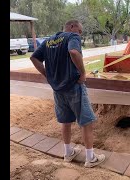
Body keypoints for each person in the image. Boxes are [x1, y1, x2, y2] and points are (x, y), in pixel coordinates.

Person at [29, 20, 105, 168]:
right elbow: (74, 51)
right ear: (72, 27)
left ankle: (68, 153)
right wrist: (83, 73)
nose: (80, 35)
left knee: (65, 121)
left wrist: (48, 75)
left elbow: (33, 58)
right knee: (86, 122)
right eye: (80, 31)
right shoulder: (72, 37)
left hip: (58, 89)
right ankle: (90, 158)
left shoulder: (49, 41)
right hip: (73, 86)